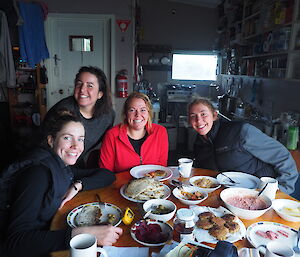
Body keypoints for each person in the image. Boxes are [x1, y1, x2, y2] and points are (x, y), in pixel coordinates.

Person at [3, 110, 122, 257]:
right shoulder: (37, 175)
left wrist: (77, 185)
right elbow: (14, 243)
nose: (75, 146)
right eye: (67, 138)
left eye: (80, 139)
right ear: (51, 140)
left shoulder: (62, 167)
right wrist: (81, 234)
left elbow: (107, 176)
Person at [188, 97, 298, 194]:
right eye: (193, 116)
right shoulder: (199, 143)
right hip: (231, 194)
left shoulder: (240, 132)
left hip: (260, 191)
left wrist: (282, 191)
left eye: (203, 114)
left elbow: (282, 156)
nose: (198, 120)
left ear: (214, 115)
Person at [42, 66, 115, 168]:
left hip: (76, 163)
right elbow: (44, 146)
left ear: (100, 94)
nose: (82, 90)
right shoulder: (62, 110)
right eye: (79, 84)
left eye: (89, 86)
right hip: (52, 164)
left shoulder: (108, 116)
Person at [99, 92, 168, 172]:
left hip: (152, 182)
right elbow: (105, 172)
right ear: (125, 114)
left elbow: (162, 168)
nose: (138, 115)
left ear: (148, 113)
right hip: (121, 183)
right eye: (132, 110)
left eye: (143, 110)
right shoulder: (111, 135)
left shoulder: (160, 132)